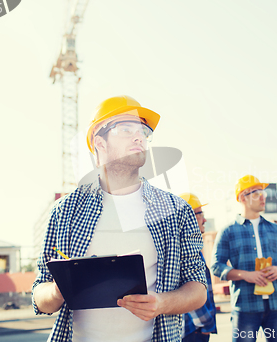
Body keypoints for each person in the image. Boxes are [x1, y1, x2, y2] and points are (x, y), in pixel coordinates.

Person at [32, 95, 207, 342]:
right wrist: (59, 290)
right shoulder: (64, 211)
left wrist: (161, 303)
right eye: (126, 129)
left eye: (143, 131)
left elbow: (198, 288)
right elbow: (41, 295)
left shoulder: (176, 210)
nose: (139, 137)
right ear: (99, 142)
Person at [211, 175, 277, 342]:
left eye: (263, 192)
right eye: (257, 193)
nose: (263, 196)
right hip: (245, 307)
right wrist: (245, 275)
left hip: (276, 305)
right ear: (243, 197)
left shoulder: (275, 229)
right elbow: (216, 266)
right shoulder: (228, 231)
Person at [179, 193, 217, 342]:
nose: (205, 219)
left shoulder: (189, 246)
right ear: (187, 217)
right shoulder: (186, 249)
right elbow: (190, 290)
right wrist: (206, 323)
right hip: (193, 330)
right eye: (200, 214)